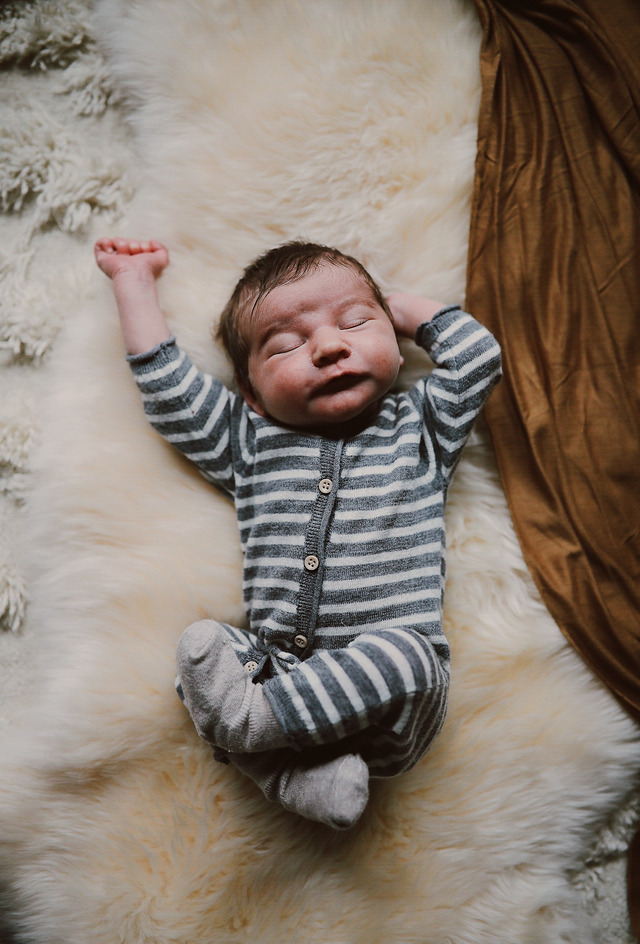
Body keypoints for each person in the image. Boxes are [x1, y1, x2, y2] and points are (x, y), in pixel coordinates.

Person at [95, 236, 501, 830]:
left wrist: (405, 308)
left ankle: (258, 733)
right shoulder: (249, 441)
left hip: (390, 710)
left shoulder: (420, 426)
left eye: (358, 322)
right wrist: (133, 282)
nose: (331, 346)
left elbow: (477, 358)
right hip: (279, 664)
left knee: (410, 653)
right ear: (252, 395)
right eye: (286, 345)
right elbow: (168, 389)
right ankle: (290, 775)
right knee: (204, 652)